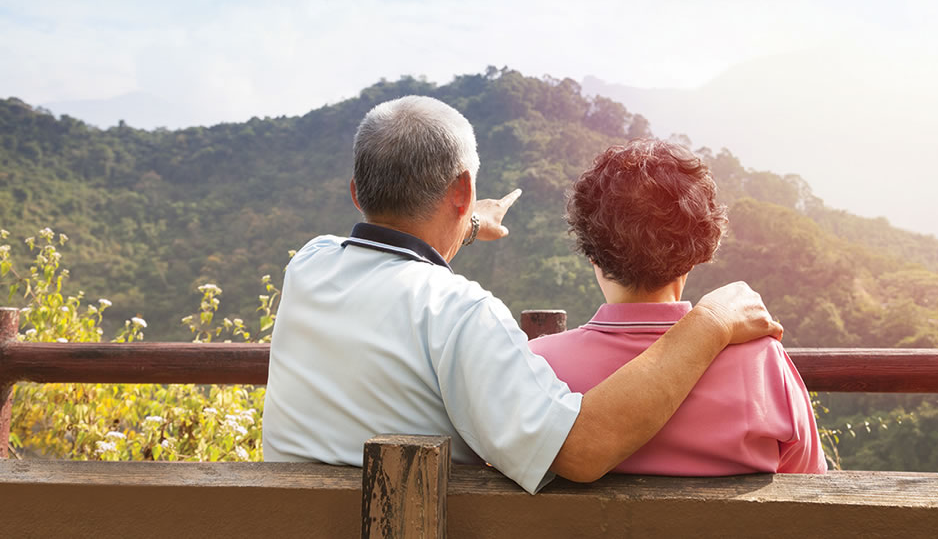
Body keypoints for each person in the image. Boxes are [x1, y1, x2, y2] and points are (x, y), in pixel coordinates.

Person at [261, 96, 785, 494]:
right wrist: (711, 321)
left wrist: (463, 224)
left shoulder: (309, 264)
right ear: (464, 191)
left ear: (356, 191)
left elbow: (396, 254)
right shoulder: (462, 314)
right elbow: (580, 452)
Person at [529, 139, 826, 475]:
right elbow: (809, 483)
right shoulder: (763, 364)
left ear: (591, 253)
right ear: (698, 251)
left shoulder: (535, 366)